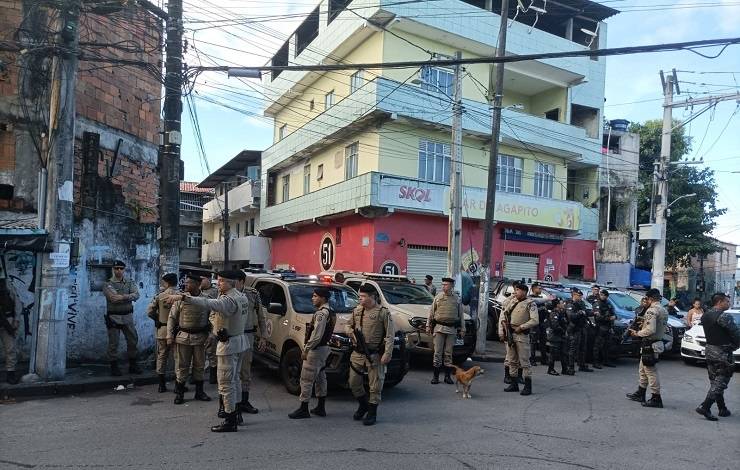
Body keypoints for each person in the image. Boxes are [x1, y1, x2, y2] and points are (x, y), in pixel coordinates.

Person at [168, 270, 249, 432]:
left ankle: (230, 419)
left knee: (226, 384)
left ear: (229, 282)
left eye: (220, 281)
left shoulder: (229, 300)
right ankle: (237, 413)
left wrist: (184, 297)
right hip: (239, 341)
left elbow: (209, 304)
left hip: (229, 344)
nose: (217, 283)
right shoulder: (241, 296)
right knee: (235, 381)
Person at [347, 283, 394, 426]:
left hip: (374, 354)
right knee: (353, 382)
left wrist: (387, 353)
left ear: (372, 297)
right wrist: (350, 332)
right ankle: (363, 405)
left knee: (375, 385)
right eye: (359, 296)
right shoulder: (357, 311)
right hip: (358, 353)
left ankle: (372, 412)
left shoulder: (383, 312)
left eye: (363, 296)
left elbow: (390, 335)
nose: (360, 298)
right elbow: (348, 325)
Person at [289, 286, 336, 419]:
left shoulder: (321, 313)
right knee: (321, 378)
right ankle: (321, 407)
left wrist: (306, 349)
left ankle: (304, 408)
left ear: (323, 298)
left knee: (306, 379)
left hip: (316, 350)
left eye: (315, 296)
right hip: (324, 349)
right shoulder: (331, 311)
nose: (312, 298)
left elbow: (316, 336)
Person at [695, 293, 740, 421]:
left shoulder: (706, 315)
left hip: (709, 349)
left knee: (715, 380)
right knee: (721, 381)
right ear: (719, 302)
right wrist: (735, 346)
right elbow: (737, 334)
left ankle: (722, 408)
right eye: (727, 301)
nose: (729, 304)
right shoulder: (724, 316)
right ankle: (705, 406)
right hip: (722, 351)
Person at [167, 274, 211, 405]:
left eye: (189, 283)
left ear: (198, 284)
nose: (185, 285)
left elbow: (213, 318)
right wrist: (169, 335)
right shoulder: (180, 299)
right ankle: (180, 393)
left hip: (200, 337)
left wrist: (211, 334)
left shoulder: (206, 300)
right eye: (185, 283)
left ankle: (199, 392)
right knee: (182, 366)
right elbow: (172, 318)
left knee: (200, 366)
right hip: (183, 337)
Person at [625, 288, 668, 408]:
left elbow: (650, 330)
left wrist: (637, 333)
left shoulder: (652, 310)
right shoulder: (663, 309)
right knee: (643, 369)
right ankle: (641, 392)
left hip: (650, 343)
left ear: (650, 299)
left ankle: (656, 397)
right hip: (653, 343)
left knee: (650, 371)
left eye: (646, 299)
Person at [498, 281, 538, 396]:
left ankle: (528, 386)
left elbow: (535, 320)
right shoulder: (513, 301)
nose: (515, 292)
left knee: (524, 362)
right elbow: (504, 311)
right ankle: (514, 384)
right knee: (512, 360)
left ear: (524, 292)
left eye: (517, 291)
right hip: (511, 334)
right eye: (515, 290)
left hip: (521, 335)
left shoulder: (530, 303)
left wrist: (521, 327)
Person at [236, 270, 267, 415]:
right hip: (231, 337)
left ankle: (244, 401)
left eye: (234, 281)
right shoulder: (224, 295)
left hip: (247, 335)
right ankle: (227, 404)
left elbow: (261, 316)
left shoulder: (252, 294)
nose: (231, 284)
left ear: (242, 281)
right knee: (230, 372)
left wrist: (263, 337)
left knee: (245, 371)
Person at [103, 260, 141, 376]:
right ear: (113, 269)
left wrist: (122, 297)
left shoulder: (129, 282)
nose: (119, 270)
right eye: (116, 268)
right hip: (114, 317)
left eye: (121, 268)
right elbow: (113, 298)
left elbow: (137, 295)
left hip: (127, 316)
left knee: (133, 340)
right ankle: (114, 367)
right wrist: (129, 297)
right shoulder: (107, 284)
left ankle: (133, 366)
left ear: (124, 270)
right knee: (113, 343)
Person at [426, 277, 465, 385]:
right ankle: (435, 376)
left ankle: (447, 376)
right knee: (437, 353)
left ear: (451, 286)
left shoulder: (456, 299)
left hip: (451, 330)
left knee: (448, 353)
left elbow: (461, 315)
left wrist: (463, 329)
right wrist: (428, 326)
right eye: (443, 284)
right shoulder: (438, 297)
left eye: (446, 284)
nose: (444, 286)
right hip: (439, 328)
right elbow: (431, 313)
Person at [147, 273, 178, 392]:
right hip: (177, 330)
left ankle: (161, 385)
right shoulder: (181, 295)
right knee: (178, 358)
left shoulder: (160, 296)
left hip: (163, 330)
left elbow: (149, 311)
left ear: (167, 283)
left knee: (162, 356)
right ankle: (178, 385)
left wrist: (157, 320)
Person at [564, 289, 590, 375]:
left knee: (583, 348)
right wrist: (580, 313)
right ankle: (570, 367)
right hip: (574, 329)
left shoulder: (581, 303)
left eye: (581, 296)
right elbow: (571, 317)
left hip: (582, 328)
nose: (581, 297)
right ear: (574, 295)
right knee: (573, 349)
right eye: (579, 296)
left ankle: (582, 365)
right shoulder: (570, 304)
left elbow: (586, 312)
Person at [200, 274, 219, 384]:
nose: (201, 282)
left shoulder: (215, 292)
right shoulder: (197, 291)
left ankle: (213, 375)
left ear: (208, 280)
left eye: (202, 279)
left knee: (212, 351)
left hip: (211, 326)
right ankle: (196, 375)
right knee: (198, 352)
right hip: (198, 325)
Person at [592, 289, 616, 369]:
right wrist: (608, 318)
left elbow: (614, 313)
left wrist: (614, 317)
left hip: (608, 327)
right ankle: (595, 362)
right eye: (601, 295)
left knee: (607, 345)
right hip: (600, 327)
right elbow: (598, 317)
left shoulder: (608, 304)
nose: (602, 296)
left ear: (606, 296)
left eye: (604, 295)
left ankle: (606, 361)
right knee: (597, 345)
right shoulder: (597, 304)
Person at [0, 282, 19, 384]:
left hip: (7, 321)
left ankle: (10, 373)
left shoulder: (6, 285)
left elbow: (17, 303)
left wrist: (16, 319)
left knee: (11, 348)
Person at [545, 299, 568, 376]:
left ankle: (564, 369)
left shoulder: (561, 312)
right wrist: (563, 331)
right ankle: (550, 369)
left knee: (563, 353)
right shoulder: (554, 313)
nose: (563, 304)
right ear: (557, 305)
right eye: (561, 303)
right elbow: (555, 326)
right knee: (553, 354)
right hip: (555, 336)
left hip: (561, 336)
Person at [528, 282, 548, 366]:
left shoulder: (541, 298)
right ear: (534, 289)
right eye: (539, 288)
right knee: (533, 342)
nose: (540, 290)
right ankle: (532, 359)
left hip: (542, 323)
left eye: (541, 288)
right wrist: (541, 308)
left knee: (543, 341)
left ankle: (544, 359)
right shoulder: (530, 298)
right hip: (534, 323)